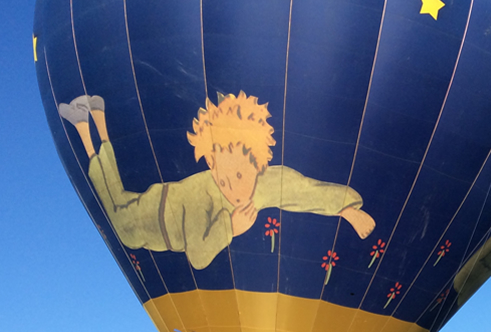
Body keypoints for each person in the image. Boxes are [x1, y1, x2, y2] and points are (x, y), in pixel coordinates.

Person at [57, 93, 376, 271]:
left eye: (238, 176)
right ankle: (89, 129)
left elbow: (300, 190)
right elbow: (198, 256)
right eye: (223, 179)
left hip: (161, 210)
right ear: (211, 164)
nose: (233, 188)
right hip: (155, 218)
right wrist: (230, 229)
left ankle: (91, 122)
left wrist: (347, 208)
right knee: (120, 222)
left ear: (257, 159)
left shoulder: (264, 182)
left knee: (116, 200)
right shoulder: (205, 198)